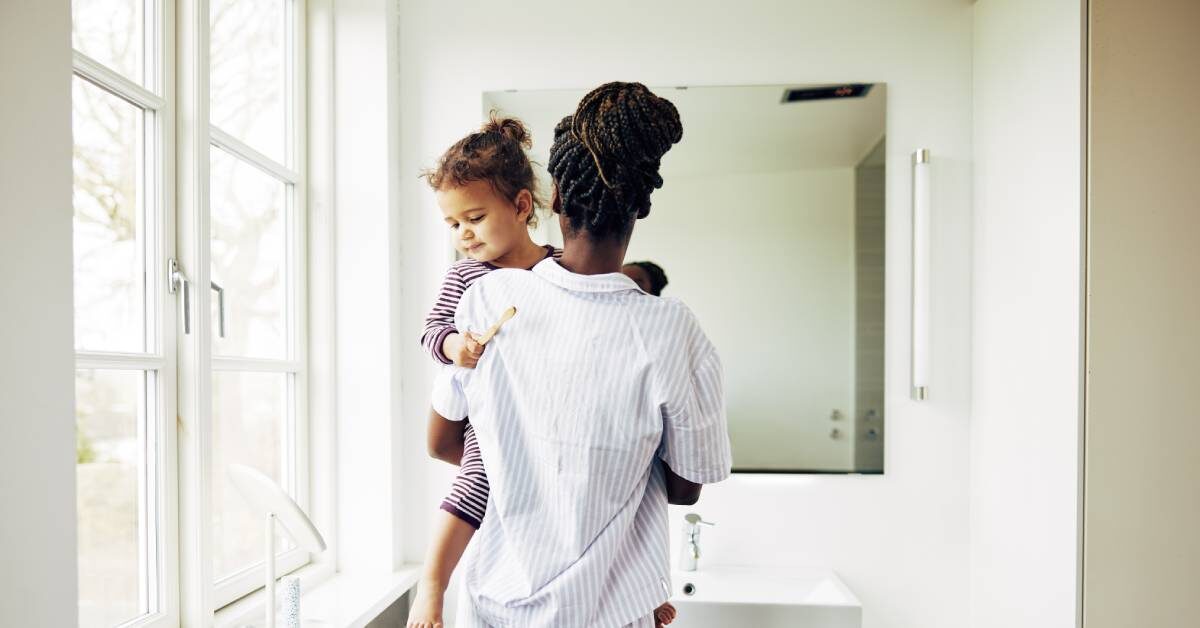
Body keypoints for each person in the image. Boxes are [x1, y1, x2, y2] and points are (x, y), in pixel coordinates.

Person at [428, 82, 731, 628]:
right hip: (612, 613)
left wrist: (529, 465)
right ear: (640, 207)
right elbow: (686, 488)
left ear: (555, 198)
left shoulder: (487, 301)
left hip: (494, 608)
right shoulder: (672, 330)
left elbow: (444, 443)